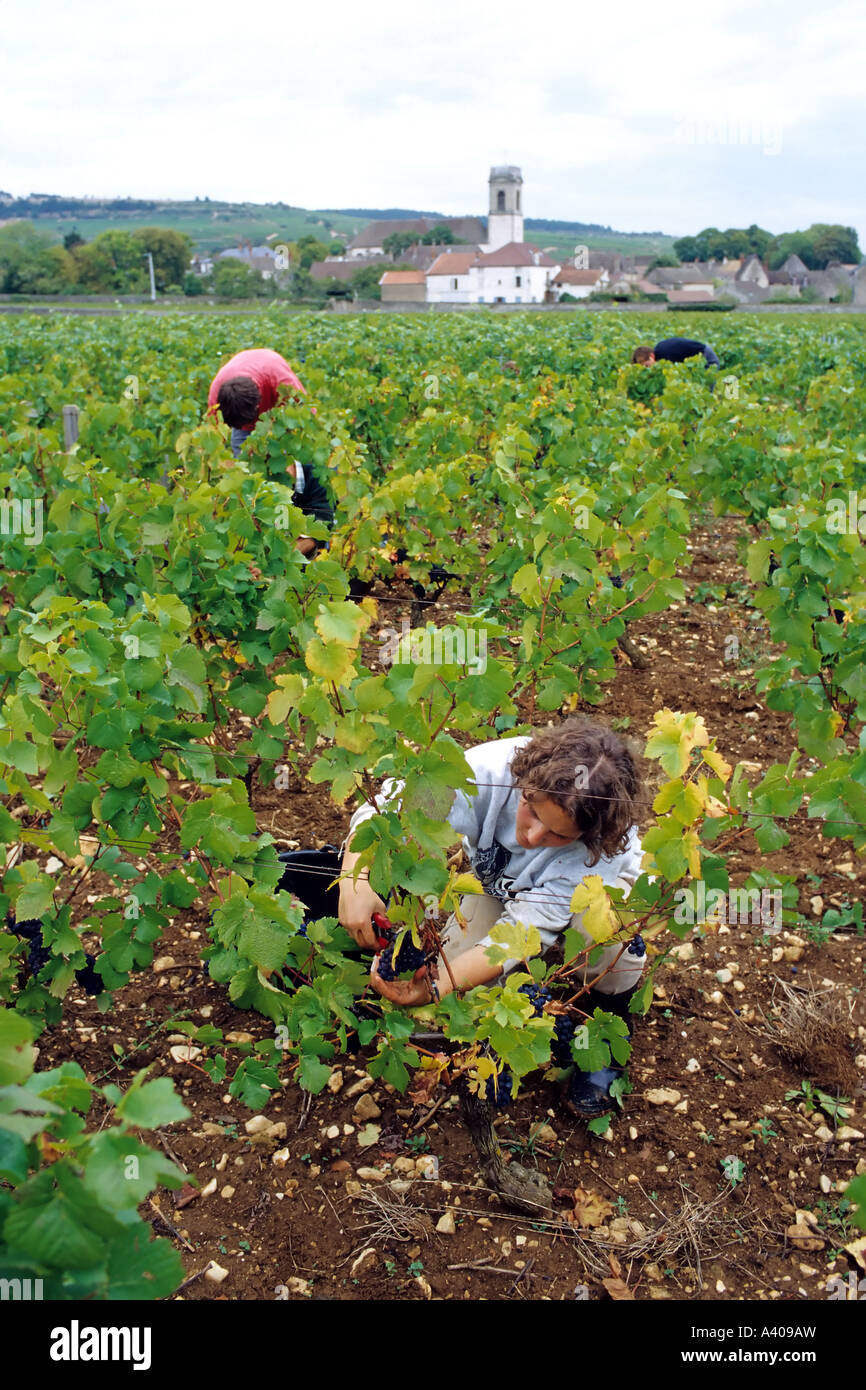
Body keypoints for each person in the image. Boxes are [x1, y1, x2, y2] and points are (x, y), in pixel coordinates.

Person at [277, 718, 649, 1117]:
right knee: (447, 1014)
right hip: (499, 891)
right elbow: (391, 811)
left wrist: (435, 986)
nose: (533, 837)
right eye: (531, 811)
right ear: (524, 781)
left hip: (582, 904)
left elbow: (518, 936)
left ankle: (605, 1031)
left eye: (558, 836)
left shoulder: (602, 852)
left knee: (608, 935)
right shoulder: (489, 771)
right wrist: (356, 880)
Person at [207, 348, 334, 555]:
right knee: (249, 487)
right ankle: (261, 531)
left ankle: (293, 529)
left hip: (281, 421)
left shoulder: (279, 378)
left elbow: (308, 418)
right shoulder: (217, 395)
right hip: (243, 424)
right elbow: (217, 445)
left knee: (294, 482)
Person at [631, 338, 720, 368]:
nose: (648, 368)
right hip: (694, 361)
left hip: (706, 356)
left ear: (651, 356)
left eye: (647, 365)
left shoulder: (665, 355)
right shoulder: (659, 351)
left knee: (706, 390)